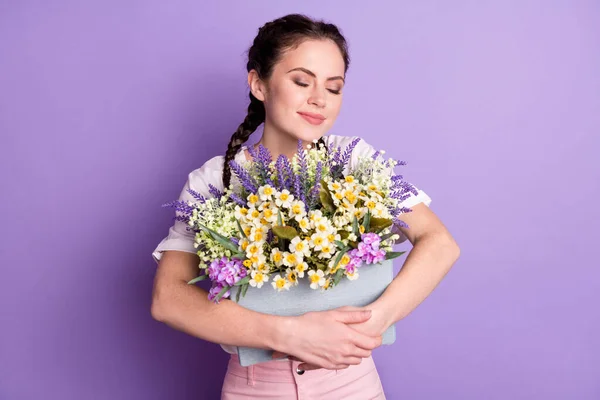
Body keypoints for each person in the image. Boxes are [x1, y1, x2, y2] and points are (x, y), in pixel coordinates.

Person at [150, 13, 460, 399]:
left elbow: (439, 242)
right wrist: (289, 333)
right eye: (301, 81)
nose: (319, 100)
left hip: (353, 385)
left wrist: (375, 320)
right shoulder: (214, 180)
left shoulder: (356, 163)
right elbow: (168, 299)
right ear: (258, 84)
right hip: (256, 389)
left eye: (334, 88)